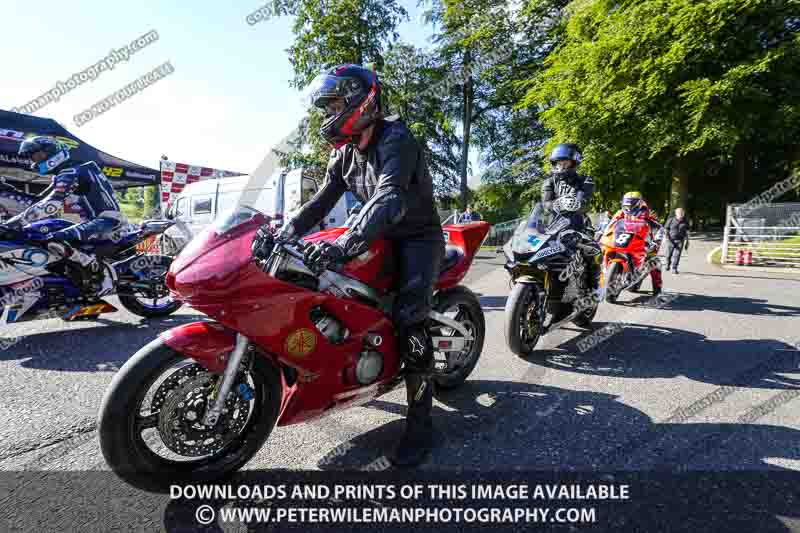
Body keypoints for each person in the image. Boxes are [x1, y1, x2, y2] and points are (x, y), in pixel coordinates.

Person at [251, 64, 445, 467]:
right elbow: (318, 203)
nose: (328, 114)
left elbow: (388, 197)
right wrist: (284, 233)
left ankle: (422, 422)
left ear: (362, 101)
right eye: (325, 107)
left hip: (415, 238)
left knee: (410, 315)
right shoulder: (344, 154)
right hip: (376, 234)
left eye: (334, 104)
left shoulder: (397, 139)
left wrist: (346, 243)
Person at [5, 136, 125, 296]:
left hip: (107, 220)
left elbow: (50, 205)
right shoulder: (67, 173)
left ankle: (95, 269)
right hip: (95, 222)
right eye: (32, 157)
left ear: (52, 153)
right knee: (43, 235)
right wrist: (8, 191)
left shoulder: (73, 171)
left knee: (52, 239)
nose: (34, 161)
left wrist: (11, 225)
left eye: (37, 156)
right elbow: (38, 201)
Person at [539, 143, 598, 321]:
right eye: (558, 163)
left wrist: (577, 203)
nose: (561, 166)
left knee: (591, 254)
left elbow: (584, 200)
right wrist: (554, 205)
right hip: (553, 229)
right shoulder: (549, 181)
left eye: (565, 163)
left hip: (578, 227)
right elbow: (545, 203)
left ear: (574, 163)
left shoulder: (585, 180)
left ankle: (593, 290)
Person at [608, 191, 664, 296]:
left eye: (631, 205)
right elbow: (610, 224)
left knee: (654, 262)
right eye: (626, 205)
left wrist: (656, 241)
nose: (628, 208)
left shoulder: (646, 214)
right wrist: (601, 232)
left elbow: (660, 228)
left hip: (644, 241)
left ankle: (657, 289)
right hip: (624, 239)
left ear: (638, 204)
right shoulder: (621, 213)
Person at [664, 207, 690, 274]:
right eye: (679, 213)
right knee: (668, 254)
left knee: (677, 255)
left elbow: (687, 232)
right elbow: (666, 229)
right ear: (676, 213)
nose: (681, 214)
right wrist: (666, 237)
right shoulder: (671, 220)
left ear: (683, 214)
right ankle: (668, 263)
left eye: (682, 213)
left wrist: (687, 241)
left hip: (680, 240)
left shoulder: (685, 222)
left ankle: (674, 268)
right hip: (671, 240)